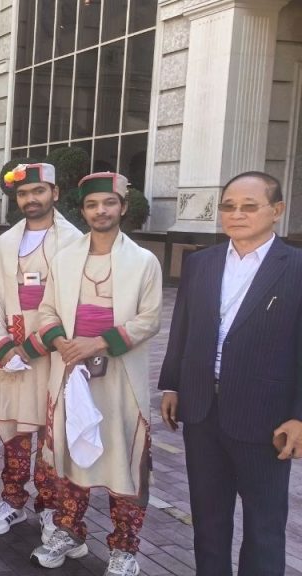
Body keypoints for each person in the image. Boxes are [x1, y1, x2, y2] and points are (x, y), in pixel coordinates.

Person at [158, 171, 302, 576]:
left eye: (249, 207)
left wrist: (299, 416)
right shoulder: (201, 263)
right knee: (208, 521)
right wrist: (172, 384)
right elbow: (182, 326)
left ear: (277, 210)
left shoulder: (295, 267)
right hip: (202, 410)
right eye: (229, 206)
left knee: (264, 526)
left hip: (266, 417)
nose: (237, 214)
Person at [24, 173, 162, 576]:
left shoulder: (144, 261)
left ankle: (124, 549)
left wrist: (98, 343)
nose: (100, 211)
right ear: (82, 210)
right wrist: (62, 342)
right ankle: (69, 532)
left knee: (125, 460)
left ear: (123, 206)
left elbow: (150, 319)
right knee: (69, 456)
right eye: (92, 205)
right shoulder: (65, 258)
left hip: (121, 378)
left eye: (108, 203)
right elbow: (47, 311)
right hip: (70, 372)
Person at [0, 163, 81, 538]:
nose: (30, 199)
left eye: (38, 191)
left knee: (51, 430)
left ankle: (49, 506)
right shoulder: (4, 243)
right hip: (12, 353)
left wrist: (36, 344)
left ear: (55, 193)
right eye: (23, 193)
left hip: (54, 352)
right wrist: (3, 344)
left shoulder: (74, 241)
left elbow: (76, 301)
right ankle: (12, 500)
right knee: (14, 427)